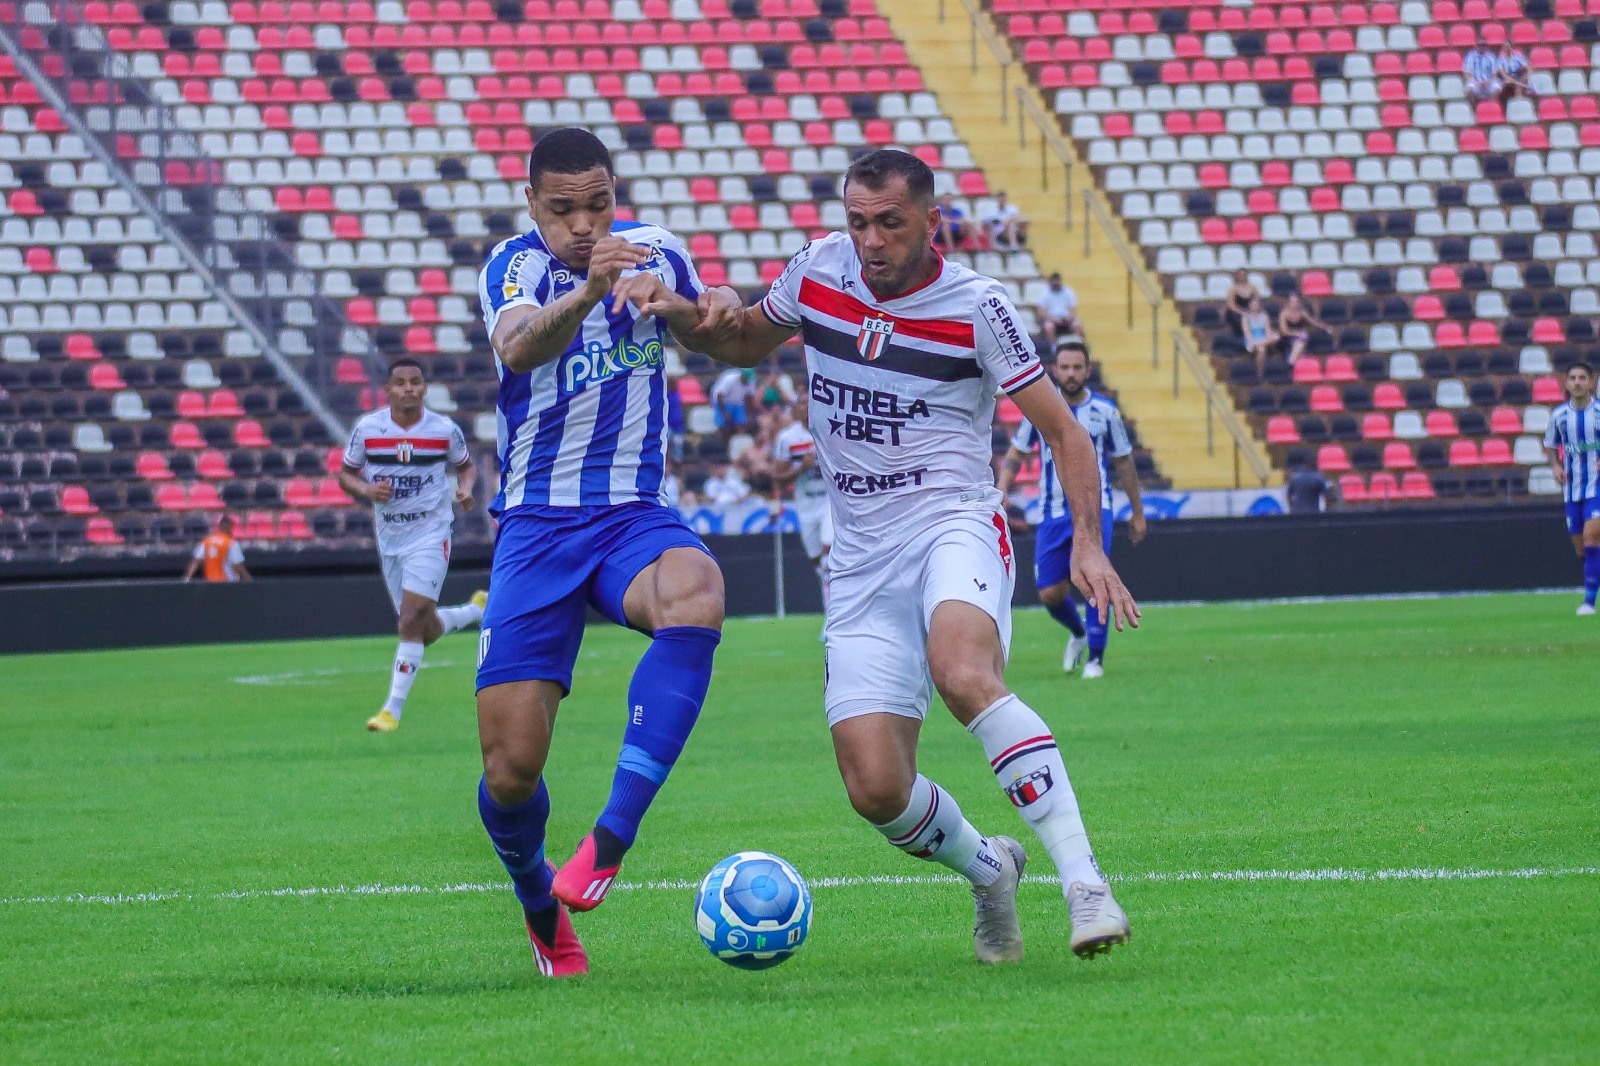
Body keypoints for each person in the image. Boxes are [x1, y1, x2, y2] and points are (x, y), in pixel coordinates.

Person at [675, 149, 1141, 962]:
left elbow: (1066, 433)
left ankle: (1085, 884)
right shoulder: (818, 268)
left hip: (951, 524)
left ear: (932, 220)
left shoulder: (978, 307)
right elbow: (744, 340)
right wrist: (685, 311)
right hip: (858, 558)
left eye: (890, 222)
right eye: (858, 221)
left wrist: (1090, 547)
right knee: (876, 788)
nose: (870, 240)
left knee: (962, 672)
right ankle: (990, 869)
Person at [472, 127, 728, 977]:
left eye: (599, 205)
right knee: (510, 772)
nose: (585, 225)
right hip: (536, 526)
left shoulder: (656, 248)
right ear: (531, 204)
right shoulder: (512, 267)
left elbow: (712, 324)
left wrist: (689, 304)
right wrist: (591, 291)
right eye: (563, 209)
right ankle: (540, 907)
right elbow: (518, 346)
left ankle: (610, 840)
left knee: (696, 591)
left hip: (630, 514)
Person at [338, 358, 486, 734]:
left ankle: (391, 710)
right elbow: (346, 474)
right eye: (400, 383)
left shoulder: (444, 430)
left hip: (431, 532)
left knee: (409, 619)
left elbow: (466, 466)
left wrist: (466, 489)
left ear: (424, 388)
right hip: (390, 536)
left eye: (415, 382)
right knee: (423, 628)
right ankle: (474, 610)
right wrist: (367, 490)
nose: (409, 388)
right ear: (387, 390)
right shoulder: (368, 429)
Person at [998, 342, 1145, 679]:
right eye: (1065, 367)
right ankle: (1078, 632)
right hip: (1051, 512)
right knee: (1050, 592)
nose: (1071, 374)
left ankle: (1096, 659)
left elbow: (1124, 462)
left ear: (1088, 370)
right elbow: (1017, 452)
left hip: (1095, 509)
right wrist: (1002, 489)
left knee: (1094, 580)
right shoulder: (1040, 409)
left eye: (1077, 367)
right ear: (1054, 370)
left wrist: (1137, 511)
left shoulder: (1106, 411)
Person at [1542, 362, 1600, 616]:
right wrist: (1555, 465)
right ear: (1566, 383)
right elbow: (1550, 445)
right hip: (1572, 489)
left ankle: (1589, 602)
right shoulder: (1559, 416)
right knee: (1582, 548)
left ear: (1591, 382)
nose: (1577, 382)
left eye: (1582, 378)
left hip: (1597, 486)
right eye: (1573, 378)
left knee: (1591, 538)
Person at [769, 395, 832, 608]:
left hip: (830, 503)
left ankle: (832, 616)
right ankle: (831, 603)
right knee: (817, 562)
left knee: (828, 554)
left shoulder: (829, 429)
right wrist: (801, 468)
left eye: (810, 402)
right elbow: (778, 478)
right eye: (802, 404)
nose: (807, 407)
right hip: (805, 504)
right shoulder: (788, 439)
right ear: (795, 409)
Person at [182, 514, 251, 583]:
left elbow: (196, 561)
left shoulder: (206, 541)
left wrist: (186, 579)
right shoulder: (231, 543)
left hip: (210, 583)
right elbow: (238, 566)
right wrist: (248, 580)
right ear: (229, 527)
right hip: (227, 583)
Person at [1277, 293, 1327, 366]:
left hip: (1300, 337)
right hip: (1287, 338)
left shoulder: (1302, 312)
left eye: (1296, 301)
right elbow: (1284, 331)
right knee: (1302, 339)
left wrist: (1324, 327)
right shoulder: (1284, 314)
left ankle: (1291, 362)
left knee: (1302, 339)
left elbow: (1312, 322)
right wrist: (1296, 333)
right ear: (1289, 303)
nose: (1295, 304)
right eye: (1292, 302)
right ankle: (1292, 362)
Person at [1034, 273, 1082, 347]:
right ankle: (1054, 347)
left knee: (1077, 325)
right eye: (1054, 281)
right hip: (1051, 319)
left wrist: (1069, 318)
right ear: (1051, 282)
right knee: (1048, 327)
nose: (1055, 283)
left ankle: (1077, 346)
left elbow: (1073, 309)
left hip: (1067, 319)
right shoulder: (1045, 293)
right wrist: (1054, 319)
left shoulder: (1068, 292)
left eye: (1057, 281)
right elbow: (1041, 311)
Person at [709, 365, 756, 435]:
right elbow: (719, 396)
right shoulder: (730, 379)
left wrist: (749, 414)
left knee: (741, 425)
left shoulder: (751, 381)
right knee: (723, 427)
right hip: (723, 402)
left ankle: (739, 439)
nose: (747, 381)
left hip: (739, 403)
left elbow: (749, 398)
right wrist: (724, 413)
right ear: (742, 375)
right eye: (746, 378)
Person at [1243, 295, 1279, 379]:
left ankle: (1259, 344)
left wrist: (1268, 338)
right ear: (1250, 305)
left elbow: (1268, 332)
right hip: (1252, 340)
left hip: (1264, 339)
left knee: (1276, 336)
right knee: (1261, 349)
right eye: (1254, 304)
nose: (1256, 306)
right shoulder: (1246, 317)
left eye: (1257, 304)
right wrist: (1256, 342)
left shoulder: (1264, 315)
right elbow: (1248, 335)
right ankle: (1260, 373)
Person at [1222, 268, 1258, 337]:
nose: (1242, 277)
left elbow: (1257, 301)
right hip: (1237, 312)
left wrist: (1252, 311)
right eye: (1240, 275)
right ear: (1237, 276)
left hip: (1250, 311)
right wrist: (1242, 312)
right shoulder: (1233, 289)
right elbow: (1231, 305)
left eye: (1244, 275)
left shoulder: (1253, 288)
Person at [1464, 38, 1500, 103]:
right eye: (1479, 45)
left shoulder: (1491, 56)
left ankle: (1490, 106)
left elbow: (1494, 74)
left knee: (1497, 88)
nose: (1481, 47)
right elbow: (1466, 74)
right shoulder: (1470, 56)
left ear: (1486, 46)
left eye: (1483, 45)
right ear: (1476, 46)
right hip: (1474, 81)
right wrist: (1477, 82)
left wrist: (1488, 82)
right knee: (1469, 90)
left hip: (1488, 81)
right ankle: (1473, 108)